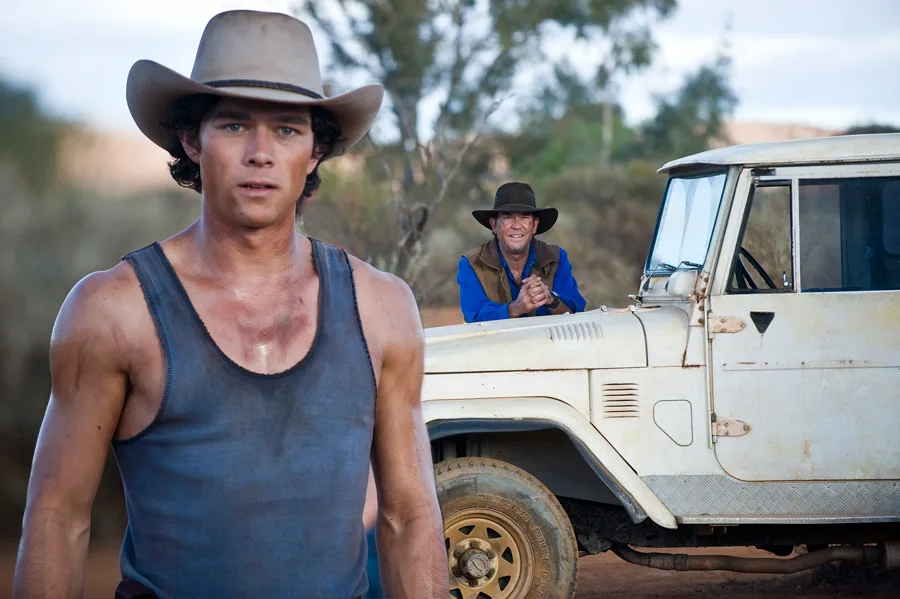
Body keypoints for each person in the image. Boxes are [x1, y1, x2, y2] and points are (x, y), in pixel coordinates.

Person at [14, 10, 447, 599]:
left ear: (316, 150)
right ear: (193, 139)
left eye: (287, 130)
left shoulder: (382, 308)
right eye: (236, 125)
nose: (261, 153)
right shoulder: (113, 310)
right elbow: (58, 519)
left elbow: (409, 517)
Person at [458, 182, 587, 322]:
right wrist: (515, 308)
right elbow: (475, 317)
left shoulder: (556, 258)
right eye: (508, 217)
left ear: (535, 225)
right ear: (494, 225)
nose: (517, 225)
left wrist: (550, 299)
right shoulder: (472, 264)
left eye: (524, 217)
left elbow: (575, 313)